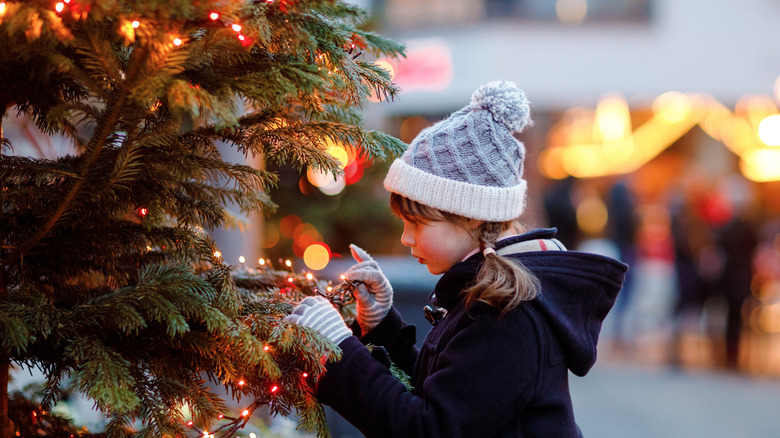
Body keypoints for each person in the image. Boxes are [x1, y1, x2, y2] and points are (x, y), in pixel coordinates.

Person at [286, 81, 628, 437]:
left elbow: (428, 427)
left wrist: (338, 350)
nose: (406, 238)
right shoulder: (489, 294)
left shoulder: (509, 315)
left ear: (471, 215)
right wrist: (383, 326)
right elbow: (453, 392)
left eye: (417, 223)